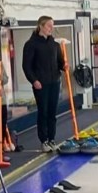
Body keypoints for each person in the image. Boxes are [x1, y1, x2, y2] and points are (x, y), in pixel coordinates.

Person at [21, 16, 65, 152]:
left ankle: (52, 139)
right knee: (43, 112)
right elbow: (26, 66)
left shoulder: (55, 44)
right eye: (49, 26)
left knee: (52, 112)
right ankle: (44, 140)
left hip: (54, 82)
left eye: (53, 26)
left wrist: (64, 66)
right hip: (41, 84)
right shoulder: (31, 44)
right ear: (41, 26)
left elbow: (60, 62)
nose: (51, 28)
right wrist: (34, 80)